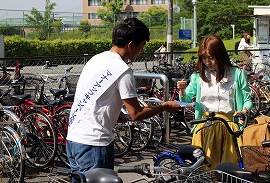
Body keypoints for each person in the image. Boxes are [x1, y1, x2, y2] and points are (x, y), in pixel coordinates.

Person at [66, 18, 181, 174]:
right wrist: (165, 106)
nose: (141, 51)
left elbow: (96, 100)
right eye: (141, 47)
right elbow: (137, 114)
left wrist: (116, 113)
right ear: (131, 45)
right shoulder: (122, 70)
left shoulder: (96, 59)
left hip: (74, 140)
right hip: (95, 145)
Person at [177, 34, 252, 169]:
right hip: (204, 127)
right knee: (205, 170)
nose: (207, 62)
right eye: (203, 58)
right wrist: (182, 90)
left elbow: (247, 100)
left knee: (228, 169)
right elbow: (186, 99)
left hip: (229, 127)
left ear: (220, 55)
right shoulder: (198, 76)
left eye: (211, 57)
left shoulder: (236, 74)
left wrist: (244, 111)